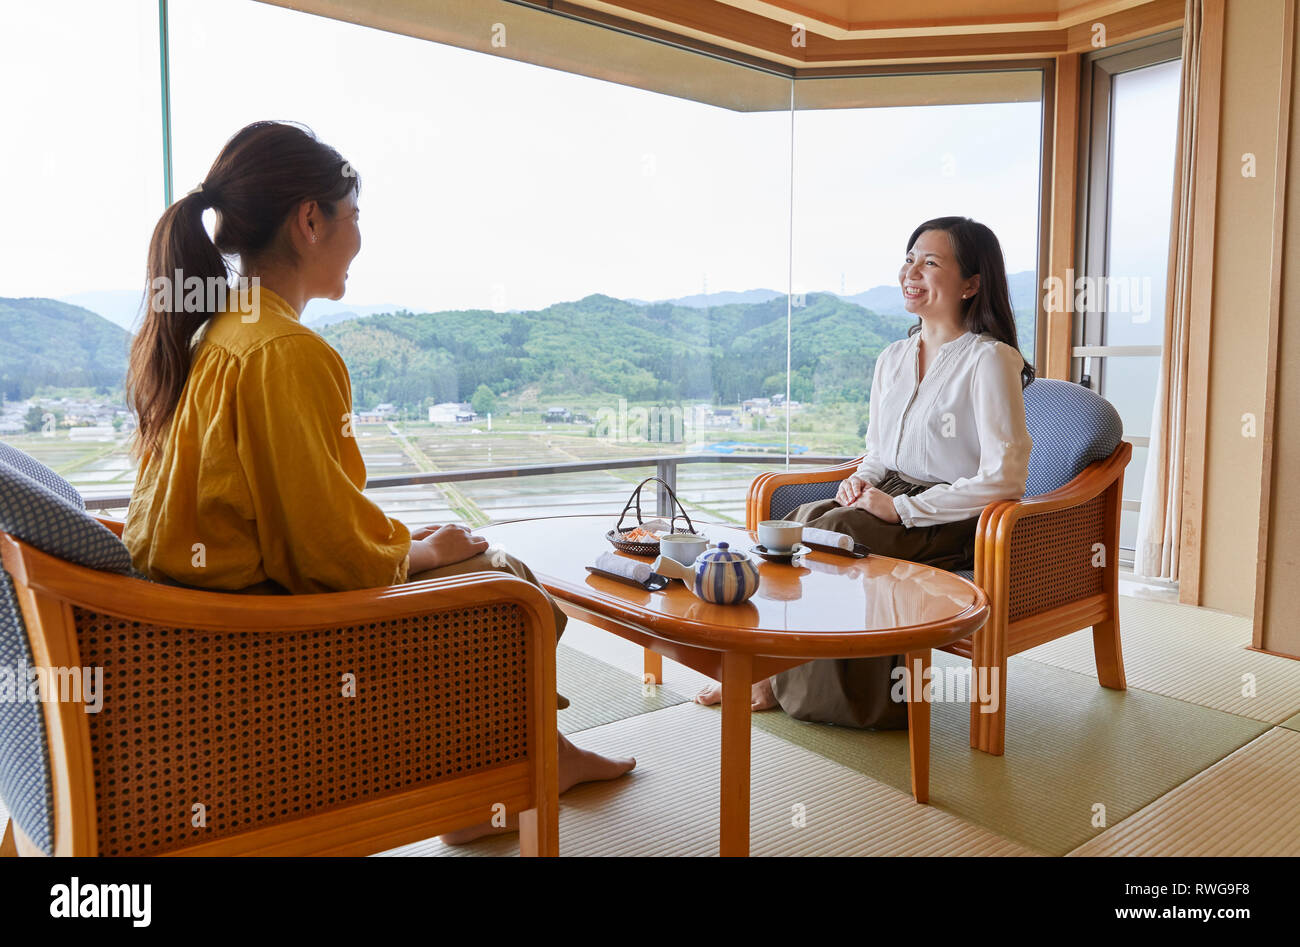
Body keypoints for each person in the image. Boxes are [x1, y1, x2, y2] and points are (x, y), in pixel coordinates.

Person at [122, 120, 634, 844]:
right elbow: (327, 555)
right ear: (309, 220)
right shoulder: (283, 351)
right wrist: (422, 552)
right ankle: (519, 767)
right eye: (352, 217)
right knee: (508, 582)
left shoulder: (216, 332)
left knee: (465, 563)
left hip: (211, 632)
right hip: (270, 649)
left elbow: (289, 515)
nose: (359, 238)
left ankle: (502, 774)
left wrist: (411, 544)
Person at [696, 216, 1034, 727]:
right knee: (799, 521)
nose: (911, 271)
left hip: (952, 516)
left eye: (930, 262)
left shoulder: (989, 360)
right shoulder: (893, 358)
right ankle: (770, 665)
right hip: (890, 497)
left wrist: (901, 510)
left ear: (971, 283)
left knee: (832, 531)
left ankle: (780, 682)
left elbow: (1005, 479)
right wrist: (863, 481)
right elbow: (876, 453)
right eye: (909, 258)